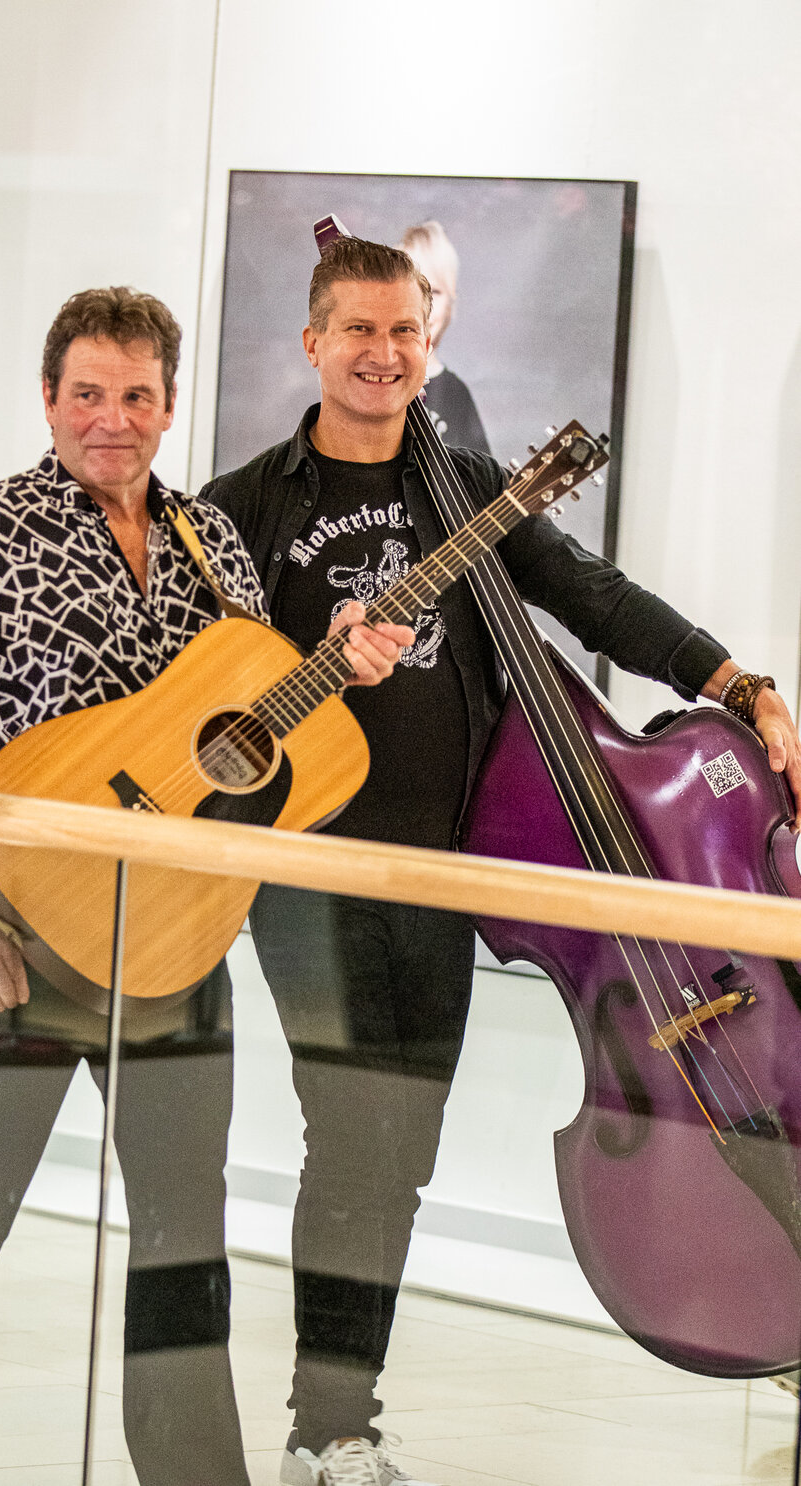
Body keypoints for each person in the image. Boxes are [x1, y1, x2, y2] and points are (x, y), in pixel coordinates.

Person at [201, 236, 801, 1486]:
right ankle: (328, 1426)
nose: (382, 353)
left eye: (404, 331)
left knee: (403, 1150)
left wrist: (737, 681)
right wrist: (314, 661)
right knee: (351, 1135)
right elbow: (202, 704)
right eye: (358, 330)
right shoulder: (248, 507)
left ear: (431, 345)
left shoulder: (468, 487)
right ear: (312, 343)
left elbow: (595, 598)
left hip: (447, 875)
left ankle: (343, 1418)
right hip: (310, 877)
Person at [0, 285, 411, 1486]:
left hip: (178, 940)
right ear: (49, 400)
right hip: (19, 926)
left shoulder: (214, 542)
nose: (112, 418)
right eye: (87, 393)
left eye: (137, 395)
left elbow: (249, 723)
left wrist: (339, 673)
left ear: (168, 406)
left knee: (185, 1231)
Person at [397, 221, 490, 454]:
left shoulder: (456, 395)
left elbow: (479, 473)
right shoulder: (374, 379)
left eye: (435, 292)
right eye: (413, 290)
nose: (424, 307)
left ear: (451, 304)